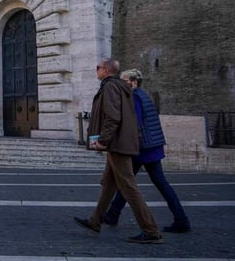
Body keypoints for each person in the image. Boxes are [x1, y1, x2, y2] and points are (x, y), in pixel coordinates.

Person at [73, 58, 163, 244]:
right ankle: (95, 221)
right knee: (109, 183)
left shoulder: (110, 88)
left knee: (129, 187)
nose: (95, 70)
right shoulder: (123, 88)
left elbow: (113, 117)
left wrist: (103, 141)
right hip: (121, 142)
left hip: (116, 143)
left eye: (97, 67)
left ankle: (151, 230)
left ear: (105, 70)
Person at [102, 69, 192, 233]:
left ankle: (180, 220)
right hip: (151, 145)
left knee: (129, 183)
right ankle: (113, 214)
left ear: (133, 82)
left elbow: (134, 123)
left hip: (143, 147)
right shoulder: (143, 94)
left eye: (124, 81)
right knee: (135, 182)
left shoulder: (135, 97)